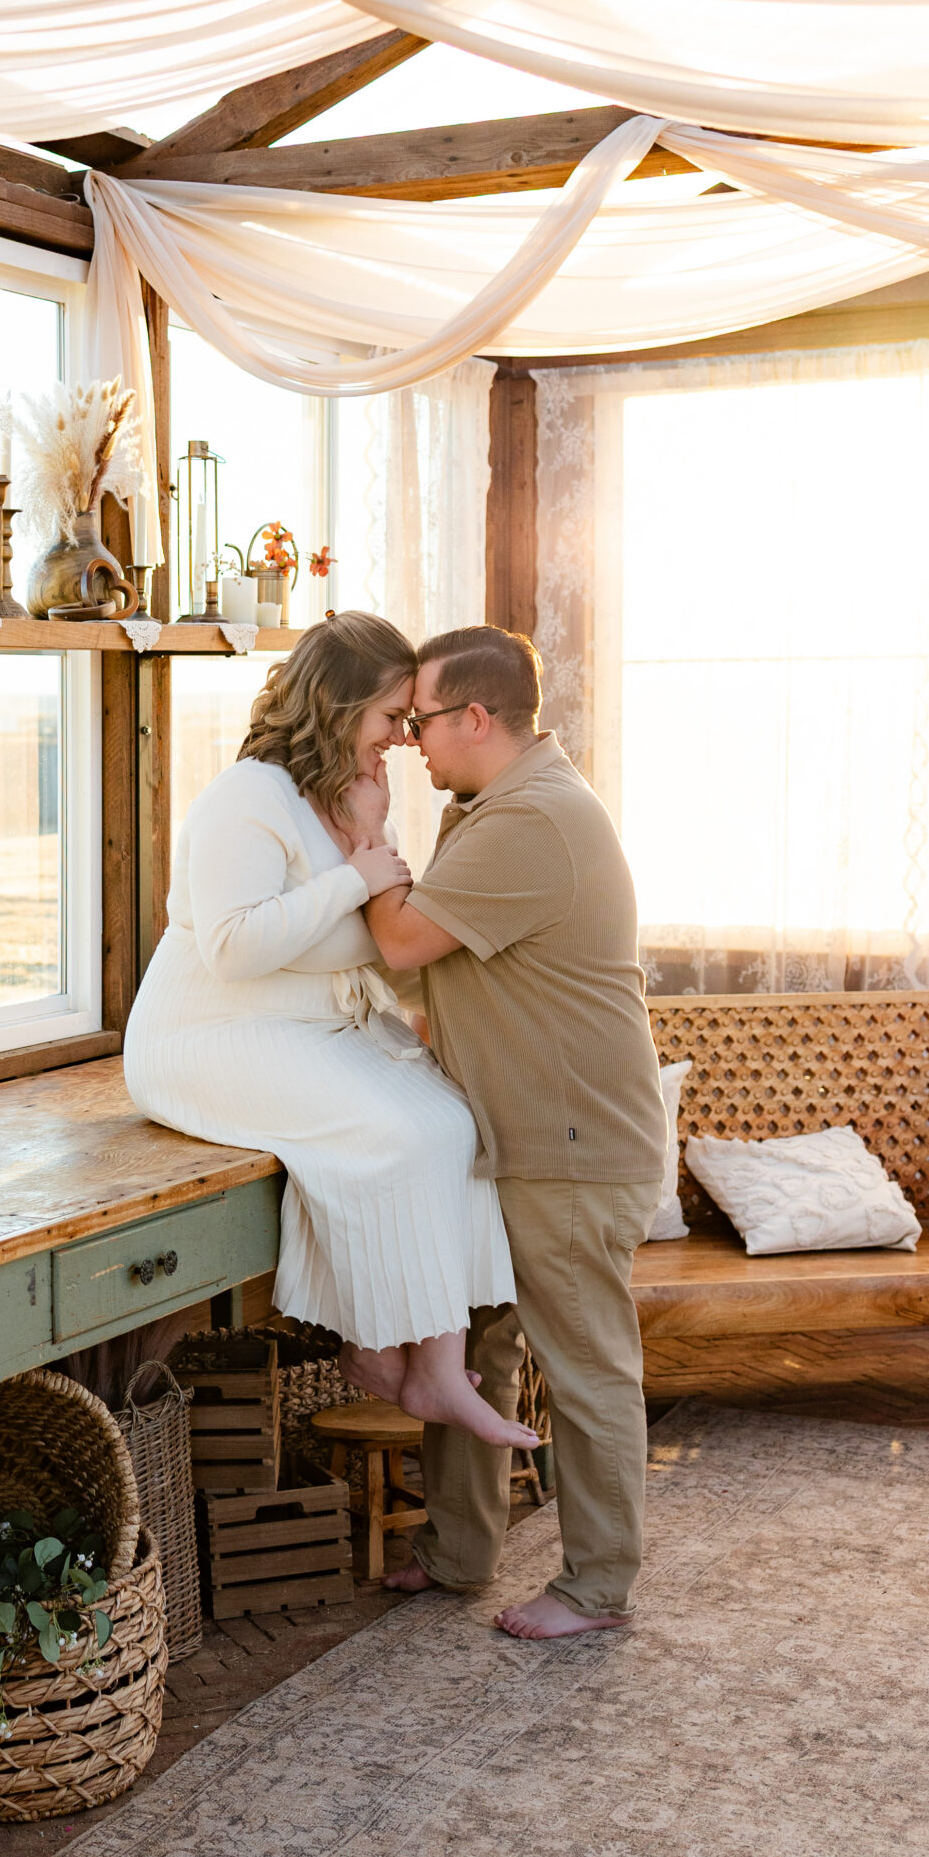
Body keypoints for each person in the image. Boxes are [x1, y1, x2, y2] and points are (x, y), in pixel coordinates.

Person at [123, 613, 535, 1448]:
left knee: (456, 1122)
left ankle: (427, 1367)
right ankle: (381, 1349)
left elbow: (365, 936)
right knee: (395, 1130)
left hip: (305, 1029)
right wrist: (355, 870)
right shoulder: (248, 796)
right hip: (206, 1038)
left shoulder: (340, 793)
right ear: (340, 705)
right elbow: (236, 947)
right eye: (391, 717)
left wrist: (368, 840)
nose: (402, 738)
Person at [362, 625, 666, 1640]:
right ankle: (459, 1553)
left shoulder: (532, 818)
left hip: (572, 1145)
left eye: (422, 719)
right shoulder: (490, 807)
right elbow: (428, 967)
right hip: (514, 1140)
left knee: (584, 1366)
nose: (410, 741)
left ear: (477, 718)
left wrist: (364, 846)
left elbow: (401, 936)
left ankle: (598, 1586)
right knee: (478, 1342)